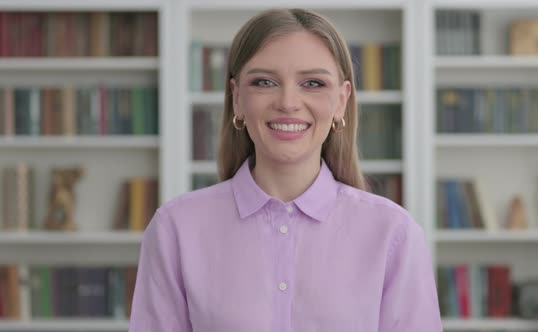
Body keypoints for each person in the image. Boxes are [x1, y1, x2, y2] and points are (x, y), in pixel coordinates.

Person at [129, 8, 442, 332]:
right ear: (237, 98)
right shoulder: (175, 229)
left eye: (313, 83)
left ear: (341, 101)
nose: (288, 102)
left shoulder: (394, 234)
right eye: (265, 82)